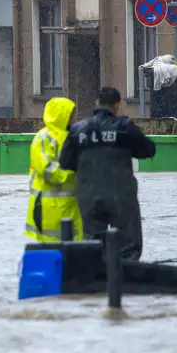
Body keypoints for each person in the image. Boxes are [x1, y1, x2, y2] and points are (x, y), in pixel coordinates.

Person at [58, 87, 157, 260]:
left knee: (92, 243)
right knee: (128, 245)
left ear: (97, 101)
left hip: (89, 195)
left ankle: (95, 279)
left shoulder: (78, 130)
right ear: (117, 105)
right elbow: (149, 150)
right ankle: (124, 279)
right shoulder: (125, 128)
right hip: (121, 196)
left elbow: (65, 162)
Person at [25, 97, 82, 242]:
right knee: (52, 250)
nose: (72, 118)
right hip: (48, 207)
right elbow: (47, 170)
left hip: (71, 205)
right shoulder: (43, 138)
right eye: (69, 114)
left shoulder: (72, 136)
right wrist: (74, 171)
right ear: (60, 115)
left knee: (74, 250)